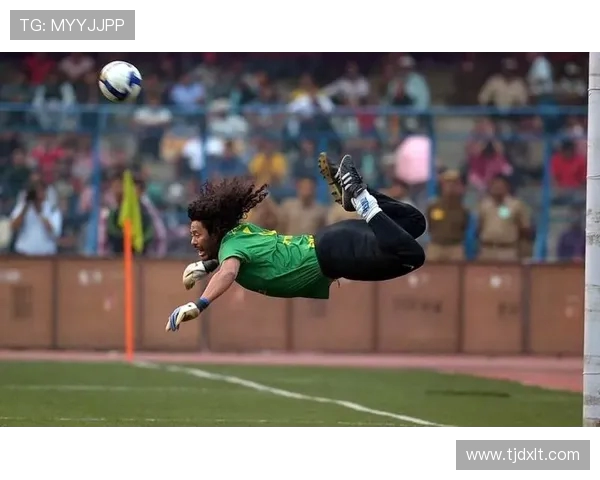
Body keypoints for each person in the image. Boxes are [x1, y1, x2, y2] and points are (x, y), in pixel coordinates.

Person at [166, 153, 426, 332]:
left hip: (336, 256)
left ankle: (360, 198)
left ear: (215, 232)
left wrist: (200, 304)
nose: (192, 241)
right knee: (414, 222)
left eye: (197, 234)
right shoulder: (240, 233)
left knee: (412, 256)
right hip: (334, 240)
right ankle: (358, 197)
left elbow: (229, 272)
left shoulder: (231, 248)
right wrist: (209, 265)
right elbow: (241, 259)